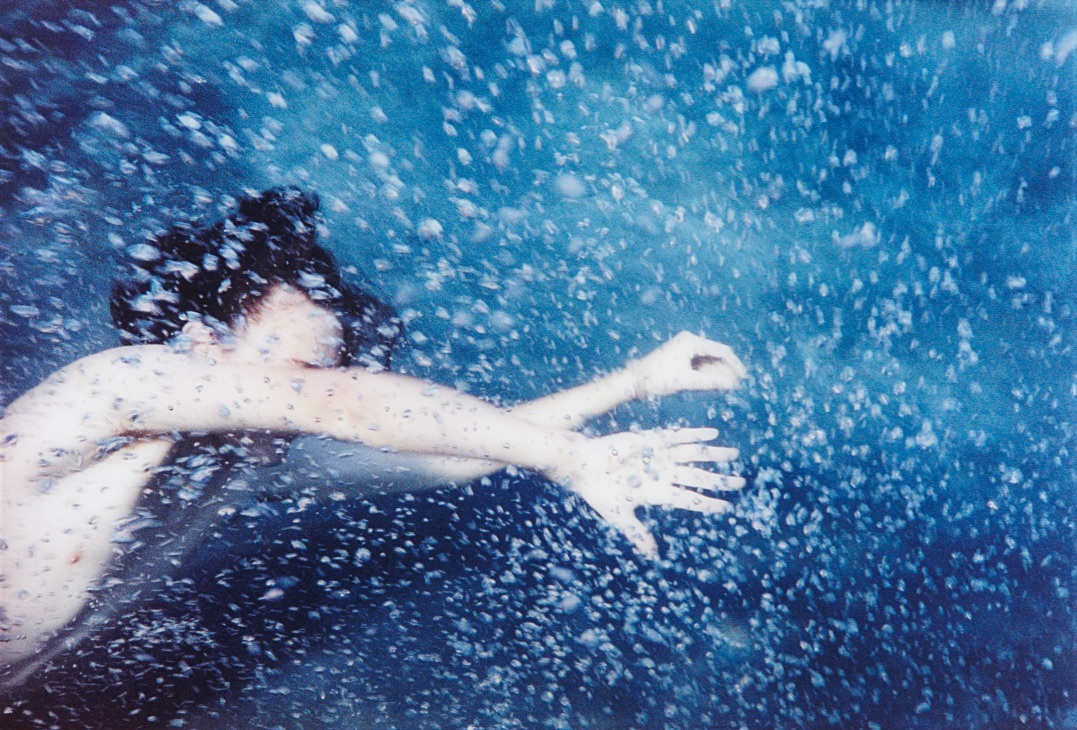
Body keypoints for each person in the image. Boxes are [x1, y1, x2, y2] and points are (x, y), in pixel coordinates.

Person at [0, 187, 747, 677]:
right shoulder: (116, 385)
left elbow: (450, 459)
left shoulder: (239, 461)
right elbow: (350, 406)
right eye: (297, 375)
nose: (302, 405)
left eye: (329, 369)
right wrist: (570, 458)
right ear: (201, 341)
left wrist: (636, 383)